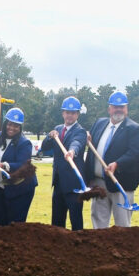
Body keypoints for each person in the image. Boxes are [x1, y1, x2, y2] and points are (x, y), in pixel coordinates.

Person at [85, 91, 139, 228]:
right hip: (99, 183)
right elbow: (91, 150)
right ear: (109, 109)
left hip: (121, 184)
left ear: (126, 109)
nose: (119, 109)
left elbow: (135, 153)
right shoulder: (99, 123)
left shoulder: (135, 129)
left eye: (122, 107)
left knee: (122, 225)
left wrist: (118, 164)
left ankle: (123, 249)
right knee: (99, 222)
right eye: (115, 106)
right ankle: (100, 248)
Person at [0, 107, 36, 225]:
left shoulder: (24, 143)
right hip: (0, 186)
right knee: (0, 222)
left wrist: (4, 165)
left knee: (14, 225)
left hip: (20, 189)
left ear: (20, 127)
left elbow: (23, 165)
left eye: (16, 125)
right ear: (6, 123)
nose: (12, 128)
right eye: (10, 124)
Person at [41, 96, 87, 230]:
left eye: (73, 113)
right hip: (58, 182)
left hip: (74, 185)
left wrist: (72, 152)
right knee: (57, 221)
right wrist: (50, 136)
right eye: (67, 112)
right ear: (63, 113)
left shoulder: (80, 131)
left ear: (77, 114)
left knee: (76, 221)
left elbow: (77, 143)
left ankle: (77, 247)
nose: (70, 115)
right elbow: (44, 147)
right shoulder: (58, 129)